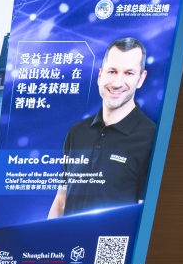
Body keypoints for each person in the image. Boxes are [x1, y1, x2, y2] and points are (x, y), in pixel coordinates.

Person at [48, 37, 155, 218]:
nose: (117, 83)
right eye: (112, 71)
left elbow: (143, 215)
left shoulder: (151, 138)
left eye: (129, 73)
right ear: (100, 75)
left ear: (141, 79)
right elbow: (61, 201)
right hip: (66, 236)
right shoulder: (76, 132)